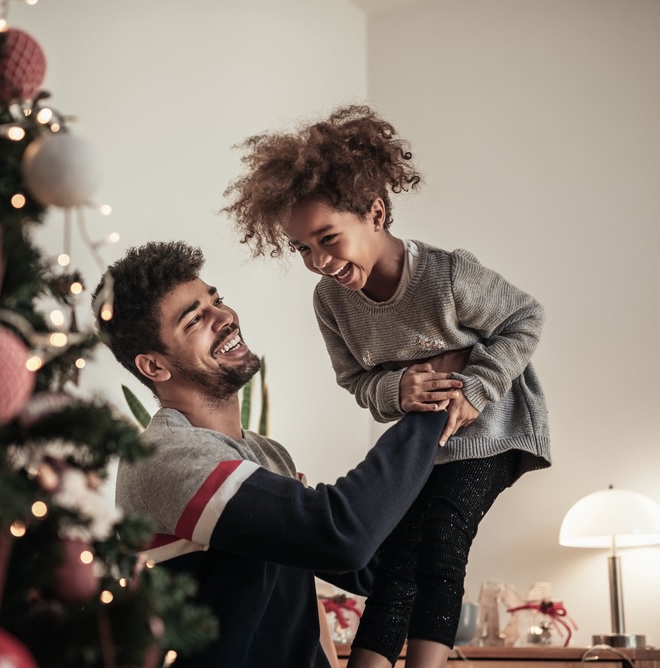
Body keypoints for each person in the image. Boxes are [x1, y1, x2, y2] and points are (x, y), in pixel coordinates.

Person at [222, 104, 551, 668]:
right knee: (395, 555)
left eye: (328, 238)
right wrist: (398, 389)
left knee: (442, 543)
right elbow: (357, 380)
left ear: (375, 213)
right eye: (303, 248)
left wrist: (475, 387)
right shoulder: (331, 301)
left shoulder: (447, 276)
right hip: (425, 439)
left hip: (493, 428)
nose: (320, 260)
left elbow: (525, 318)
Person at [91, 240, 463, 667]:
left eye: (217, 301)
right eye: (195, 320)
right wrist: (440, 390)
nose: (225, 318)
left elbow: (368, 569)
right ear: (154, 367)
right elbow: (340, 535)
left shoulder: (266, 455)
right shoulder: (163, 458)